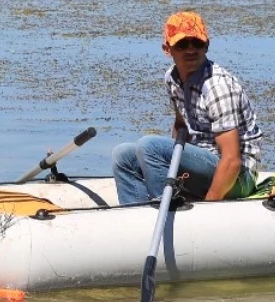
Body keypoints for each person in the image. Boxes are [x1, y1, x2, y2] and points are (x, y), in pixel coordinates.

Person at [112, 11, 263, 205]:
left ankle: (167, 207)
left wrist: (209, 206)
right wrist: (169, 164)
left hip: (238, 176)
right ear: (168, 49)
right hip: (202, 161)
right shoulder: (172, 79)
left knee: (149, 146)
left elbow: (232, 160)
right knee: (123, 154)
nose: (191, 50)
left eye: (197, 43)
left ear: (206, 45)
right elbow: (181, 126)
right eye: (182, 44)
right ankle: (137, 214)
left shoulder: (217, 88)